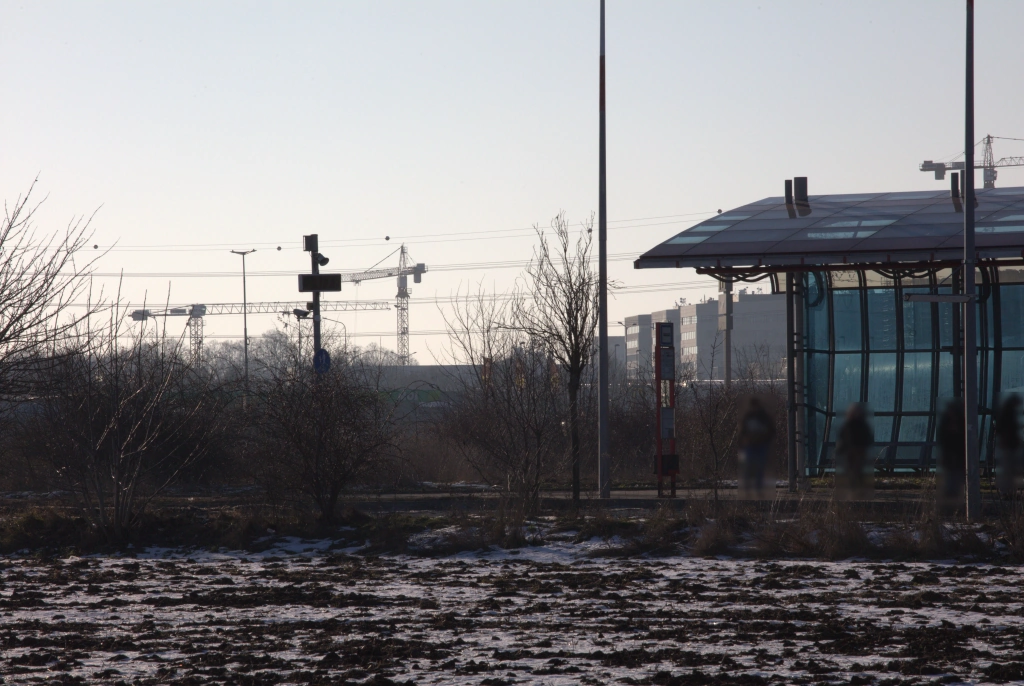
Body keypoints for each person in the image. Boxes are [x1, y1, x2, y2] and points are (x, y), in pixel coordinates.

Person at [737, 396, 775, 497]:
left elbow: (771, 430)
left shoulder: (763, 417)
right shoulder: (748, 417)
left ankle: (757, 489)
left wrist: (765, 439)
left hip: (760, 445)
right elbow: (742, 431)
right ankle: (748, 489)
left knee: (759, 468)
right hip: (750, 445)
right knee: (749, 467)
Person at [835, 403, 873, 498]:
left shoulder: (852, 425)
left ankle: (856, 490)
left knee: (855, 471)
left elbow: (843, 437)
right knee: (854, 471)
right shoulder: (858, 425)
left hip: (856, 451)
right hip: (853, 452)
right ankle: (856, 490)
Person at [936, 398, 966, 510]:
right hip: (954, 454)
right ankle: (952, 499)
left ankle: (951, 500)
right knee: (953, 475)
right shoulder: (959, 421)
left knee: (953, 476)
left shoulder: (947, 422)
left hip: (953, 454)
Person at [994, 394, 1023, 498]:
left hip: (1008, 445)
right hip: (1009, 445)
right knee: (1009, 470)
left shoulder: (1007, 414)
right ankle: (1007, 492)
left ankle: (1007, 491)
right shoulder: (1009, 415)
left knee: (1008, 470)